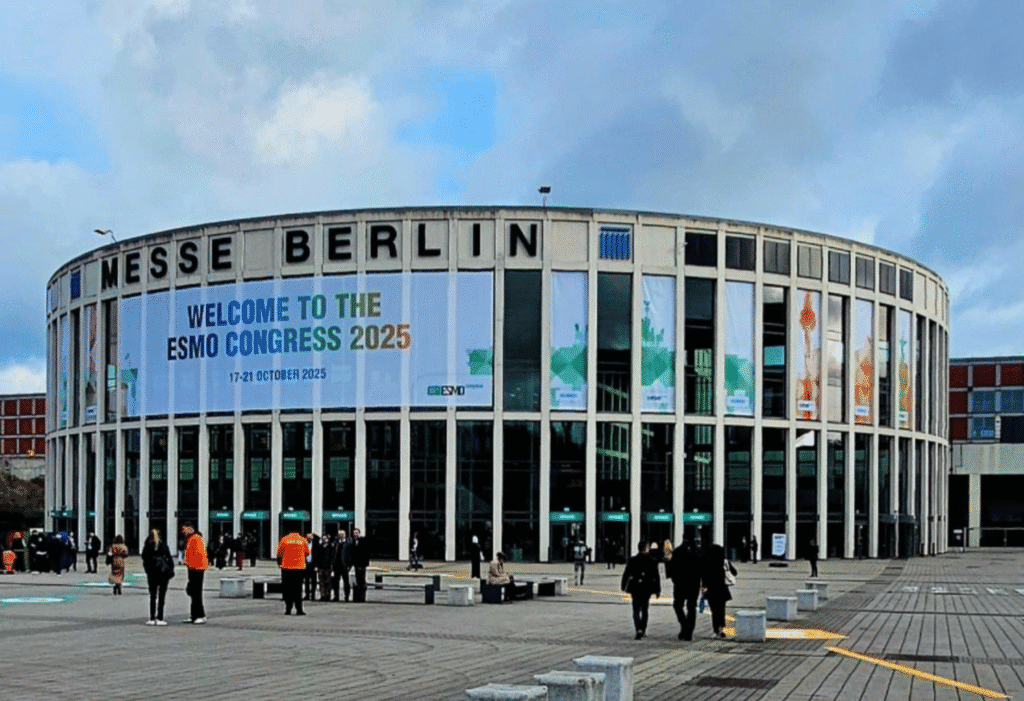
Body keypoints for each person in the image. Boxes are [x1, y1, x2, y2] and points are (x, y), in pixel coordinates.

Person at [621, 540, 661, 640]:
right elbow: (656, 576)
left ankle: (638, 628)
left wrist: (623, 586)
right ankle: (643, 629)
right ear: (646, 548)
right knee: (645, 609)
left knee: (635, 608)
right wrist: (657, 590)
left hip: (635, 587)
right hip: (647, 587)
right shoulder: (652, 560)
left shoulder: (633, 560)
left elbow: (626, 573)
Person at [666, 540, 703, 640]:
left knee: (678, 605)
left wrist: (674, 579)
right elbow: (703, 569)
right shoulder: (699, 551)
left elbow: (671, 569)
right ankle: (689, 631)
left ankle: (684, 626)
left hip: (680, 584)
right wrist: (703, 584)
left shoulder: (677, 551)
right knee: (691, 607)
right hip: (694, 584)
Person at [702, 543, 737, 638]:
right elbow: (735, 572)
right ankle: (722, 628)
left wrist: (703, 590)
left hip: (711, 591)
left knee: (714, 611)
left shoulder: (707, 562)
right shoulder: (724, 561)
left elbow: (704, 578)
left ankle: (716, 630)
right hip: (722, 590)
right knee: (721, 610)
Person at [141, 529, 174, 625]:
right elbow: (169, 559)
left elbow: (144, 559)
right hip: (163, 574)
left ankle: (152, 618)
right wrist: (170, 570)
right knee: (162, 596)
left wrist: (148, 571)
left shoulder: (147, 546)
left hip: (152, 574)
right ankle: (160, 618)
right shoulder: (163, 545)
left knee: (152, 596)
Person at [276, 529, 310, 615]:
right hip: (299, 567)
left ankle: (288, 609)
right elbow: (307, 553)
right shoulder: (303, 540)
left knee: (287, 589)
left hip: (286, 567)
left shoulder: (284, 539)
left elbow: (279, 553)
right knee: (298, 589)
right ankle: (299, 609)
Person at [182, 524, 208, 624]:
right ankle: (194, 615)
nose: (183, 531)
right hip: (193, 568)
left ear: (190, 528)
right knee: (194, 593)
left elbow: (198, 555)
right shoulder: (191, 538)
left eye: (185, 529)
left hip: (196, 569)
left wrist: (190, 564)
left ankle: (200, 615)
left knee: (196, 592)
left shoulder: (195, 539)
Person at [332, 529, 352, 602]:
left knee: (346, 582)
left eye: (342, 534)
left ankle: (346, 596)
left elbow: (350, 555)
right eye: (339, 534)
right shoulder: (335, 543)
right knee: (335, 582)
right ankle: (336, 596)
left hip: (344, 565)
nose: (341, 535)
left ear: (345, 534)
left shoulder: (348, 543)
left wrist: (349, 565)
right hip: (336, 566)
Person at [350, 528, 369, 602]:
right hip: (356, 564)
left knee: (362, 580)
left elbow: (366, 553)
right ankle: (357, 596)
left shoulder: (364, 540)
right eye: (354, 533)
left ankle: (362, 597)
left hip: (362, 564)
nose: (355, 534)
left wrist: (365, 564)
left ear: (359, 533)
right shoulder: (353, 541)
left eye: (356, 533)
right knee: (358, 580)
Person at [315, 534, 334, 601]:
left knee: (328, 582)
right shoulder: (319, 547)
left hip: (328, 567)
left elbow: (332, 557)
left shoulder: (331, 547)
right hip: (320, 567)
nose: (324, 540)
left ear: (328, 539)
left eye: (325, 538)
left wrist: (332, 566)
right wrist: (317, 566)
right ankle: (322, 595)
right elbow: (317, 557)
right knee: (321, 582)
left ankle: (327, 595)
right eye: (323, 538)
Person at [303, 534, 317, 601]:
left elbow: (318, 554)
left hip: (313, 564)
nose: (309, 538)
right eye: (308, 537)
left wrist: (316, 565)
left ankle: (313, 595)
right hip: (306, 564)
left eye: (310, 537)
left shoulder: (316, 544)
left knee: (313, 581)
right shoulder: (304, 544)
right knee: (306, 581)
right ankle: (307, 594)